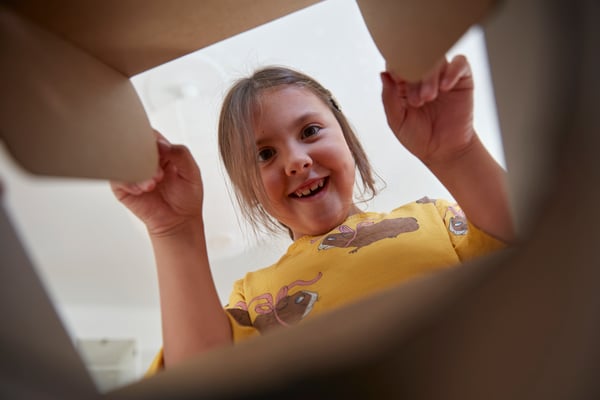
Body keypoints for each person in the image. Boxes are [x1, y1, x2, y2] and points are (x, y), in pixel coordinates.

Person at [111, 55, 513, 373]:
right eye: (265, 154)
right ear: (249, 189)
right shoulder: (252, 296)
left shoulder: (436, 219)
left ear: (347, 138)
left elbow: (538, 251)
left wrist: (457, 153)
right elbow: (204, 379)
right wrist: (174, 231)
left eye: (309, 132)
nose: (297, 161)